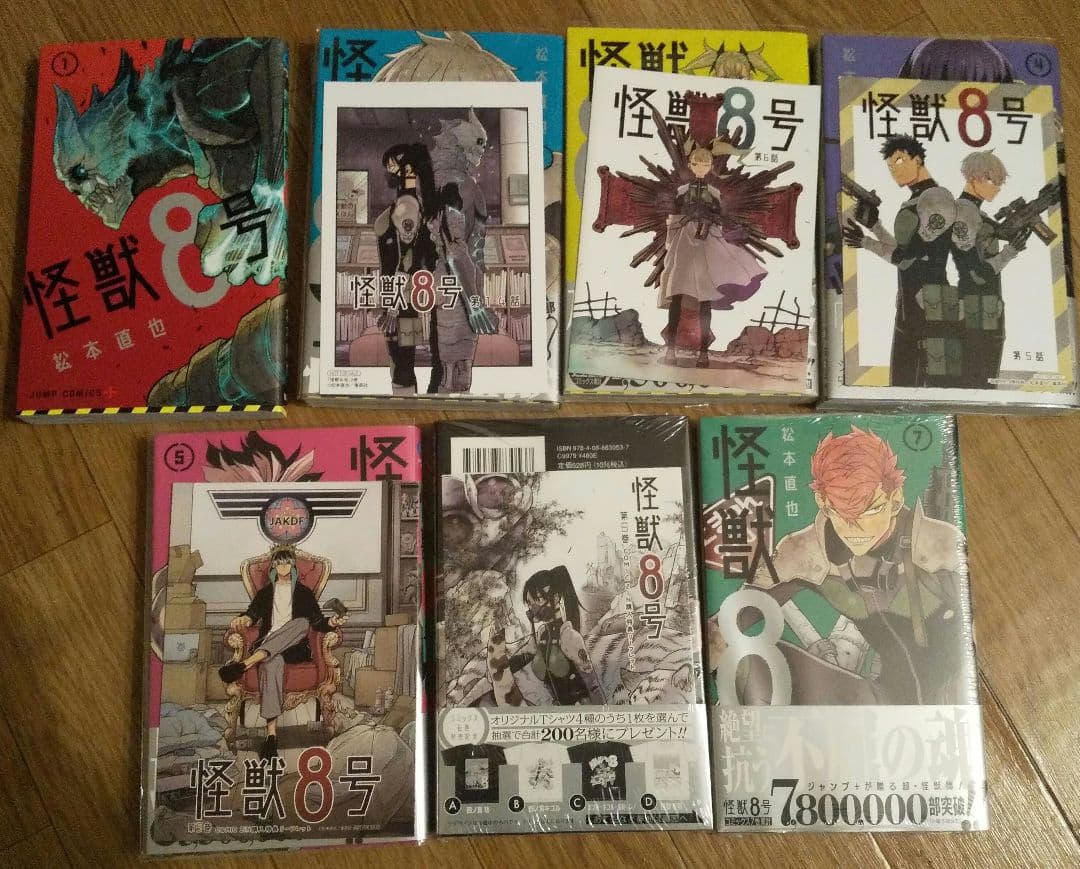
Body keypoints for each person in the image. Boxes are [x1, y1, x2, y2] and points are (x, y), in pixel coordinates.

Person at [743, 427, 971, 706]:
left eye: (872, 509)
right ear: (822, 503)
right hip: (884, 701)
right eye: (840, 514)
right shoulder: (805, 552)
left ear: (895, 498)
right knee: (757, 662)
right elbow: (733, 618)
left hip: (954, 701)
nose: (856, 530)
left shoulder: (941, 548)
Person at [843, 135, 958, 387]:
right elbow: (905, 251)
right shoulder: (915, 200)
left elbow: (909, 260)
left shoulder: (938, 198)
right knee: (900, 385)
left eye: (899, 160)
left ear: (917, 159)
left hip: (934, 306)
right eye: (890, 166)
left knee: (934, 387)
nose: (894, 170)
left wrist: (867, 242)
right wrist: (875, 226)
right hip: (909, 305)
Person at [218, 545, 346, 760]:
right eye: (279, 564)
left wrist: (332, 622)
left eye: (287, 563)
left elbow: (316, 622)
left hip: (294, 648)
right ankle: (271, 737)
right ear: (274, 568)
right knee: (271, 664)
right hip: (268, 645)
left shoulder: (303, 593)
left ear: (293, 566)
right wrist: (244, 620)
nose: (283, 567)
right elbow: (252, 614)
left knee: (302, 623)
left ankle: (246, 664)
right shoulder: (266, 593)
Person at [659, 141, 766, 368]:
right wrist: (672, 241)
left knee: (705, 297)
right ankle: (671, 350)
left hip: (705, 241)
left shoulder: (715, 193)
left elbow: (720, 218)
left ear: (710, 167)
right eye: (696, 163)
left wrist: (712, 224)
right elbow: (674, 218)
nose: (701, 167)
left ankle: (703, 353)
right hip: (683, 242)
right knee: (676, 294)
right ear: (690, 165)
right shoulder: (682, 192)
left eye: (705, 164)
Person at [951, 150, 1026, 388]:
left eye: (999, 183)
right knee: (977, 380)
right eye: (993, 181)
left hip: (986, 308)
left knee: (984, 378)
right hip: (975, 310)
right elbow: (975, 274)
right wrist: (1009, 252)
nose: (997, 188)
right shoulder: (963, 213)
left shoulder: (976, 214)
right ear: (974, 177)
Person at [486, 566, 606, 706]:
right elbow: (522, 656)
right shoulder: (542, 635)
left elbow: (593, 685)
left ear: (555, 597)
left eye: (538, 599)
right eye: (529, 603)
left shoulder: (569, 637)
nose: (532, 608)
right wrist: (498, 665)